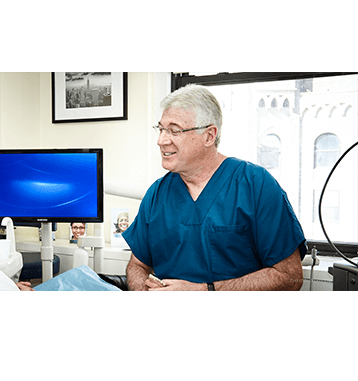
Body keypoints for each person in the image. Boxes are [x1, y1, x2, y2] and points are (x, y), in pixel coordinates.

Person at [122, 84, 307, 291]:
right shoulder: (156, 195)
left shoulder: (256, 185)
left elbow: (290, 278)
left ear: (209, 136)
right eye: (161, 129)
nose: (161, 140)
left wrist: (205, 289)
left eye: (174, 130)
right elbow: (137, 265)